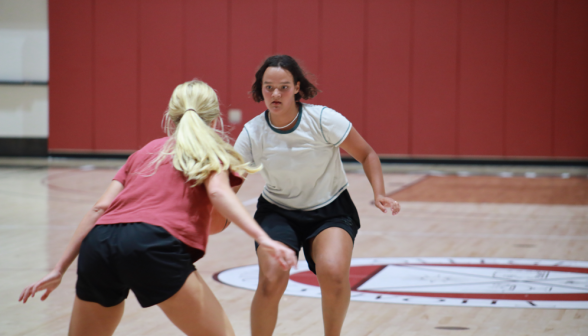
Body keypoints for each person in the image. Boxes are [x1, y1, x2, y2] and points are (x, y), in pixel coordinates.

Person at [19, 80, 297, 336]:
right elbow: (217, 192)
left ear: (171, 116)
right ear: (215, 120)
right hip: (151, 243)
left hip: (99, 245)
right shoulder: (211, 150)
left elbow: (99, 208)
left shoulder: (145, 151)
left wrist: (59, 268)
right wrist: (263, 238)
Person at [233, 55, 401, 336]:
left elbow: (367, 153)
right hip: (277, 212)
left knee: (334, 275)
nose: (275, 94)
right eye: (268, 87)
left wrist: (379, 193)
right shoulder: (253, 133)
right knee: (271, 279)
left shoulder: (323, 119)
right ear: (260, 89)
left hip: (331, 210)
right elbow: (229, 185)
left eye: (284, 87)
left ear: (297, 87)